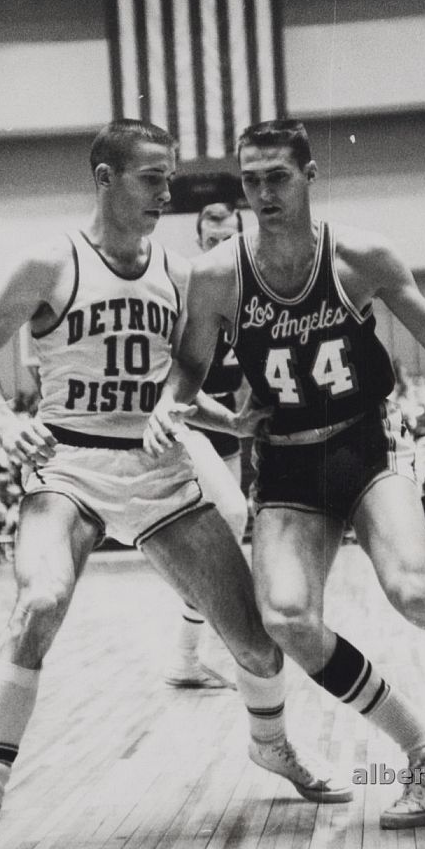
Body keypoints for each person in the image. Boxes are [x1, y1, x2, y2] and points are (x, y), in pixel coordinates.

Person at [0, 120, 350, 849]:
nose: (165, 192)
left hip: (155, 470)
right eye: (152, 177)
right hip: (68, 466)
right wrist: (4, 419)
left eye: (169, 177)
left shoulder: (177, 274)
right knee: (38, 600)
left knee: (257, 647)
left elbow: (171, 386)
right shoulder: (50, 261)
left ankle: (271, 744)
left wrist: (231, 421)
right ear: (105, 178)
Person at [146, 119, 425, 825]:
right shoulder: (216, 276)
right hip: (285, 463)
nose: (264, 193)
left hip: (364, 448)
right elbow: (186, 371)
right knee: (287, 619)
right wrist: (176, 408)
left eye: (277, 177)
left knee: (415, 591)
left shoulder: (361, 257)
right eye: (251, 180)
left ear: (309, 175)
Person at [166, 201, 250, 690]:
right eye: (212, 241)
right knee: (232, 515)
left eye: (228, 240)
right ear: (199, 242)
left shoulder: (253, 291)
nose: (220, 247)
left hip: (227, 427)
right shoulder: (186, 288)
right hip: (183, 417)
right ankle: (197, 653)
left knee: (228, 541)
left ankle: (188, 657)